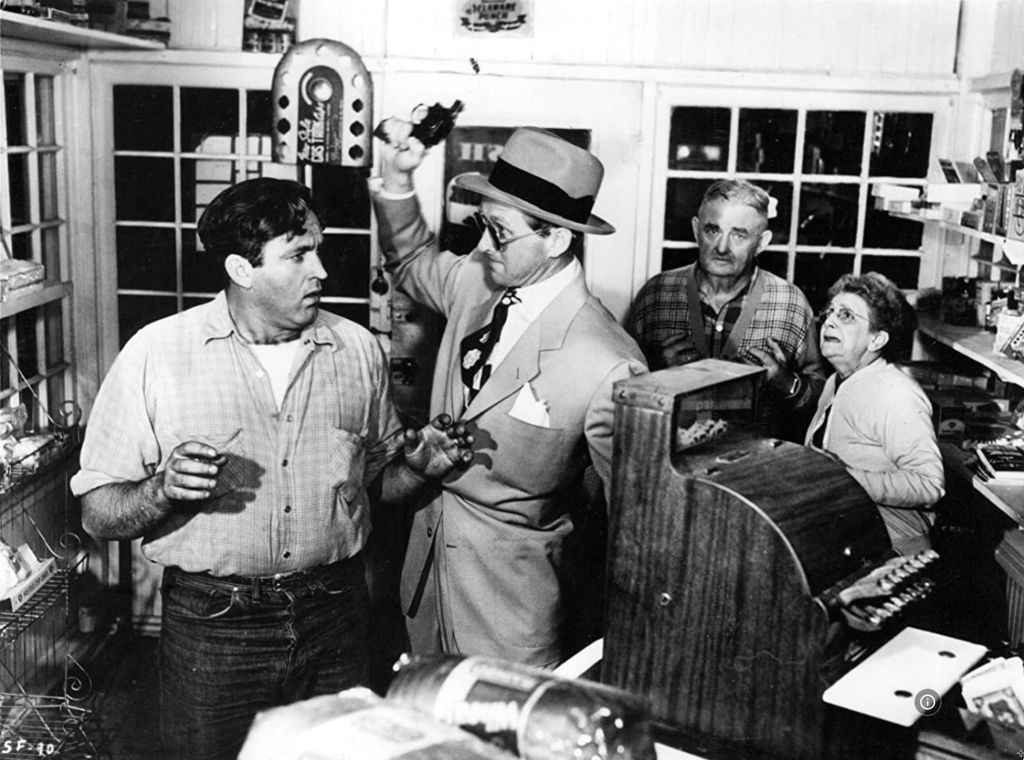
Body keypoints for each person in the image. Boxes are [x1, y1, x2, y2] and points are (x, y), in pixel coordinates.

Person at [69, 178, 473, 760]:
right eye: (298, 254)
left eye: (319, 250)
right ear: (242, 269)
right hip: (214, 627)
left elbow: (375, 486)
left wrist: (420, 469)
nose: (322, 271)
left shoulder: (357, 350)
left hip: (336, 615)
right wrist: (162, 490)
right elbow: (98, 514)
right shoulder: (157, 354)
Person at [371, 122, 647, 668]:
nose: (482, 247)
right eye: (483, 226)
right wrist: (397, 179)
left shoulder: (607, 361)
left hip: (513, 613)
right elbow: (410, 260)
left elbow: (635, 516)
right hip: (424, 581)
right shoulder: (477, 281)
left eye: (499, 233)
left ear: (557, 240)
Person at [626, 179, 825, 439]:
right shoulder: (656, 294)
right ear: (696, 230)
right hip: (666, 451)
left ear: (762, 242)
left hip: (754, 457)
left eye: (739, 235)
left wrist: (786, 383)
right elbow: (621, 387)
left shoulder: (790, 303)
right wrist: (655, 370)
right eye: (712, 230)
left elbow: (823, 401)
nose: (721, 247)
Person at [805, 272, 945, 553]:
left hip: (893, 544)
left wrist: (845, 478)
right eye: (830, 312)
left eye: (846, 316)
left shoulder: (896, 393)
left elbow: (930, 485)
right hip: (847, 530)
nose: (829, 322)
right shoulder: (836, 381)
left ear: (877, 340)